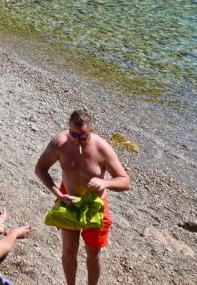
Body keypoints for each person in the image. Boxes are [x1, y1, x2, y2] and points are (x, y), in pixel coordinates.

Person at [35, 109, 131, 285]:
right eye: (73, 134)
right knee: (69, 250)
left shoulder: (102, 148)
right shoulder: (60, 143)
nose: (77, 140)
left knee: (93, 253)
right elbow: (40, 168)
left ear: (91, 131)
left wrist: (106, 183)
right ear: (68, 129)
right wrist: (57, 193)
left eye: (83, 136)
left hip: (94, 205)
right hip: (68, 200)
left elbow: (125, 181)